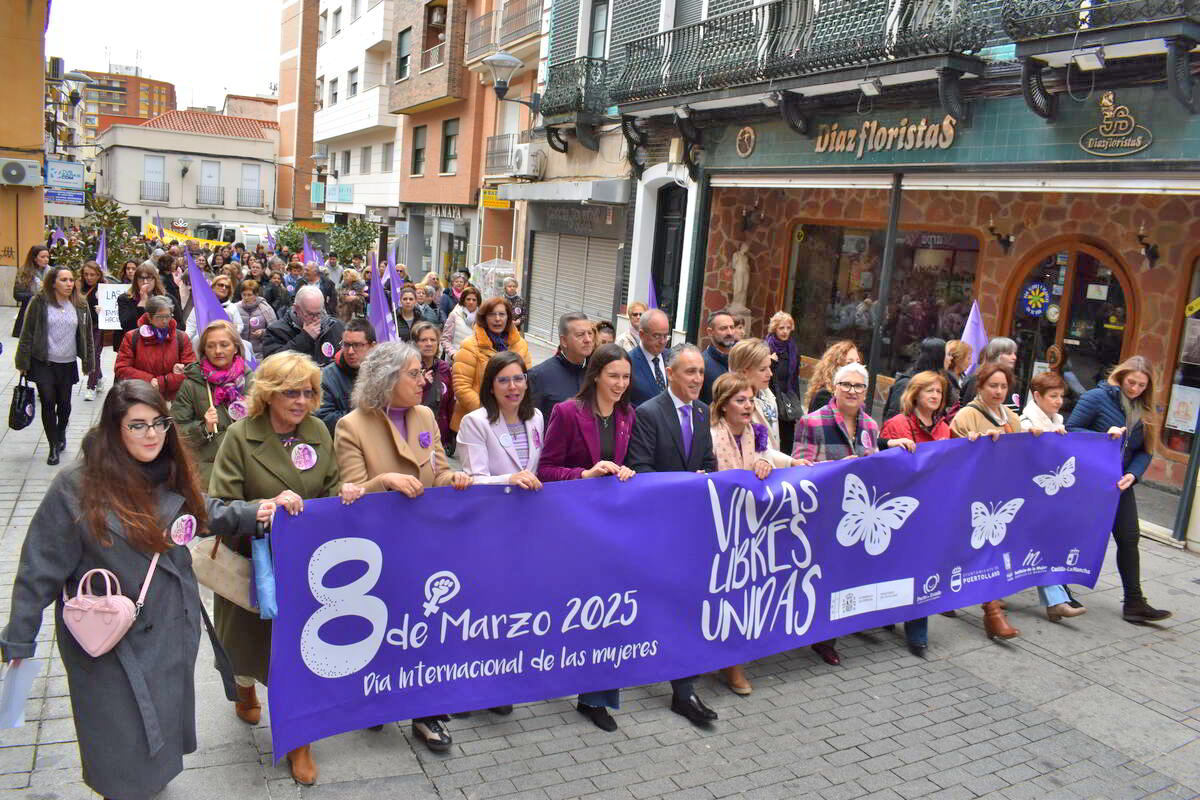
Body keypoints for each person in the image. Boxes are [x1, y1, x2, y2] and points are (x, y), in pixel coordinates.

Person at [0, 380, 271, 800]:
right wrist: (19, 637)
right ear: (114, 430)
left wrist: (256, 513)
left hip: (167, 626)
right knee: (119, 736)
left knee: (160, 723)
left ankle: (150, 781)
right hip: (107, 641)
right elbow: (39, 567)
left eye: (159, 423)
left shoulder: (169, 470)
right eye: (137, 426)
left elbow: (203, 512)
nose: (152, 435)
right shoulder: (76, 487)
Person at [209, 351, 362, 786]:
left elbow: (330, 488)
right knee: (246, 650)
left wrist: (344, 494)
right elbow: (216, 507)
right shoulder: (240, 436)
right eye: (291, 392)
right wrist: (264, 507)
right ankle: (242, 688)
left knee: (296, 658)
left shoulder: (317, 431)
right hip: (253, 566)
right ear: (269, 394)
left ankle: (299, 741)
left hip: (305, 568)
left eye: (309, 392)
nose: (301, 401)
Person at [333, 342, 470, 752]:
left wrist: (457, 481)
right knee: (384, 630)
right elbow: (352, 494)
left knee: (424, 631)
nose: (424, 380)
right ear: (386, 379)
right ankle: (374, 699)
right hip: (380, 550)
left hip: (427, 545)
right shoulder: (351, 426)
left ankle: (425, 715)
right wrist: (386, 482)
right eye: (414, 373)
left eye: (422, 372)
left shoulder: (426, 415)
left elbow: (439, 472)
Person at [537, 343, 637, 730]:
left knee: (606, 612)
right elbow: (546, 470)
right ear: (595, 374)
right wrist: (585, 475)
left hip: (610, 529)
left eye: (626, 377)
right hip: (572, 529)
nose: (620, 383)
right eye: (613, 375)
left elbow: (628, 464)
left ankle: (595, 698)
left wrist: (626, 472)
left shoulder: (628, 414)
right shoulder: (566, 412)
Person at [793, 363, 915, 665]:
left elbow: (873, 470)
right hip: (822, 512)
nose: (852, 391)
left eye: (859, 386)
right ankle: (816, 634)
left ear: (866, 392)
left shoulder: (871, 427)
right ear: (835, 388)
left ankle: (829, 636)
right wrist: (836, 469)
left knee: (845, 574)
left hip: (857, 517)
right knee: (821, 576)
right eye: (846, 385)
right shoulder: (812, 422)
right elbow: (799, 468)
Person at [627, 344, 719, 726]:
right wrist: (684, 483)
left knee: (687, 608)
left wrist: (707, 478)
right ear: (670, 373)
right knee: (653, 605)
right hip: (656, 529)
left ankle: (684, 692)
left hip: (690, 531)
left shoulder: (702, 412)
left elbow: (710, 464)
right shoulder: (648, 414)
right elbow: (640, 468)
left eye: (700, 372)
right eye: (690, 372)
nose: (698, 379)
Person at [709, 371, 809, 694]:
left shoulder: (756, 433)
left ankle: (734, 664)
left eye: (751, 399)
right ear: (724, 405)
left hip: (749, 528)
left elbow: (765, 459)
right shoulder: (710, 435)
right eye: (740, 400)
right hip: (715, 528)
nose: (748, 405)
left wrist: (788, 465)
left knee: (740, 595)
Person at [1067, 355, 1170, 623]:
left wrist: (1133, 475)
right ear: (1121, 377)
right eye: (1131, 382)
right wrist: (1104, 436)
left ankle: (1134, 602)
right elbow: (1070, 430)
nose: (1135, 389)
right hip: (1089, 479)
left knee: (1129, 537)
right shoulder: (1096, 398)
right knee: (1077, 535)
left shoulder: (1146, 409)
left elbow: (1145, 451)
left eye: (1141, 385)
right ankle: (1059, 591)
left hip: (1122, 482)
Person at [949, 361, 1043, 639]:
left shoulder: (1011, 418)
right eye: (993, 385)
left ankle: (984, 604)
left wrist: (1037, 437)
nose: (999, 391)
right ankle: (992, 613)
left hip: (1000, 497)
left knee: (990, 551)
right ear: (980, 386)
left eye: (1003, 386)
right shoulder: (966, 416)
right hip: (972, 498)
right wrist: (976, 443)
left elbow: (1022, 455)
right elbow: (952, 456)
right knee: (976, 549)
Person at [880, 370, 953, 657]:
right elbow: (882, 466)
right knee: (897, 564)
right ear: (915, 394)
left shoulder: (944, 427)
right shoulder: (897, 424)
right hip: (901, 507)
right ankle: (886, 613)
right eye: (929, 391)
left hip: (931, 508)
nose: (935, 396)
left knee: (923, 567)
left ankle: (917, 628)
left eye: (939, 392)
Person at [1020, 370, 1086, 622]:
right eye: (1053, 395)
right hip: (1029, 498)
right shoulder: (1027, 422)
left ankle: (1056, 601)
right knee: (1036, 547)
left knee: (1040, 548)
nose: (1059, 401)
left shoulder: (1056, 421)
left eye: (1061, 396)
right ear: (1037, 396)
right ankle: (1055, 601)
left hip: (1046, 499)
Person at [15, 266, 95, 465]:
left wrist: (88, 360)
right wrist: (22, 361)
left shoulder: (80, 304)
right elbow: (27, 333)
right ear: (53, 283)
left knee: (65, 405)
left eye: (71, 280)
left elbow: (88, 336)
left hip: (67, 363)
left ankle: (61, 432)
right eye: (64, 280)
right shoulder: (39, 303)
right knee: (48, 402)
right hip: (43, 361)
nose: (69, 284)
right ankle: (52, 446)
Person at [171, 319, 253, 484]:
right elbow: (176, 432)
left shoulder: (253, 383)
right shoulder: (191, 384)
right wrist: (204, 428)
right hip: (210, 472)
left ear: (236, 348)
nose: (218, 351)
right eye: (211, 346)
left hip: (250, 467)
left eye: (224, 345)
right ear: (204, 350)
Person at [458, 351, 545, 488]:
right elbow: (474, 480)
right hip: (494, 506)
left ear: (526, 383)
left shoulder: (536, 417)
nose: (512, 386)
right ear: (491, 387)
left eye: (518, 379)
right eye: (503, 380)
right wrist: (509, 479)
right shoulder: (474, 422)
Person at [451, 296, 532, 432]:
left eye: (502, 314)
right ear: (484, 317)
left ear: (508, 317)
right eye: (492, 314)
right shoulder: (470, 345)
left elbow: (528, 381)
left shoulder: (521, 345)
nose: (497, 319)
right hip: (477, 422)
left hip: (512, 420)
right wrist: (490, 414)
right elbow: (462, 388)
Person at [115, 295, 197, 403]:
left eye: (168, 316)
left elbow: (191, 369)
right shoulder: (132, 337)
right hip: (141, 397)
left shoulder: (181, 337)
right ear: (149, 317)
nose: (164, 321)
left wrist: (163, 382)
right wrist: (148, 380)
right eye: (159, 317)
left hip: (173, 401)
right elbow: (121, 369)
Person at [529, 312, 595, 420]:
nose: (588, 339)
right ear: (564, 340)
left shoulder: (596, 373)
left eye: (590, 333)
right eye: (580, 335)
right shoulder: (538, 376)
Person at [317, 318, 377, 434]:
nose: (350, 351)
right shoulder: (327, 377)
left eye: (357, 345)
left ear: (372, 346)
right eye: (346, 345)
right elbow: (323, 419)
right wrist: (365, 414)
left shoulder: (384, 373)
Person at [263, 284, 346, 366]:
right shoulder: (276, 331)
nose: (316, 318)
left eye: (319, 313)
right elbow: (271, 365)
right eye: (310, 314)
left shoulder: (335, 326)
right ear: (296, 308)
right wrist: (305, 338)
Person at [728, 338, 785, 452]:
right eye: (763, 369)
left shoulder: (767, 394)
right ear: (744, 372)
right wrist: (790, 461)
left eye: (769, 367)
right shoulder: (732, 406)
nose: (770, 373)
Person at [412, 320, 455, 448]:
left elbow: (450, 403)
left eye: (433, 340)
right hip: (415, 433)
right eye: (423, 340)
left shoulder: (444, 368)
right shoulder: (408, 368)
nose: (429, 344)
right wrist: (422, 385)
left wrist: (452, 433)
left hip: (440, 435)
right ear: (415, 343)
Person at [765, 311, 800, 454]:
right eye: (781, 328)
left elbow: (795, 378)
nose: (785, 332)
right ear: (775, 329)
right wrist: (771, 362)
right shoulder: (767, 347)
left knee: (787, 440)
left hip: (787, 400)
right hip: (770, 398)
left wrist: (796, 401)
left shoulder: (793, 349)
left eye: (788, 328)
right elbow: (764, 375)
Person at [961, 336, 1020, 411]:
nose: (1014, 357)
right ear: (996, 355)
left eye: (1014, 353)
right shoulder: (978, 379)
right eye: (1009, 353)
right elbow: (968, 412)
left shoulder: (1012, 381)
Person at [803, 340, 861, 413]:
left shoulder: (854, 394)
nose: (856, 367)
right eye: (849, 362)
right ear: (836, 367)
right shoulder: (824, 395)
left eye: (858, 362)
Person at [79, 260, 108, 401]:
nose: (89, 277)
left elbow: (113, 306)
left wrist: (103, 309)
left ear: (98, 275)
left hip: (98, 326)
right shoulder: (79, 286)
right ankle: (99, 377)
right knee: (90, 354)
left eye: (92, 275)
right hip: (83, 326)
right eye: (86, 274)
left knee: (94, 354)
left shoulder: (104, 288)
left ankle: (91, 386)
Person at [629, 308, 671, 406]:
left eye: (665, 336)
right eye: (657, 336)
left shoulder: (672, 358)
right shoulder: (629, 362)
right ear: (642, 334)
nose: (662, 342)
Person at [119, 264, 167, 345]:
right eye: (141, 278)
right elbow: (126, 325)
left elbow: (180, 324)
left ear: (155, 279)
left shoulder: (166, 298)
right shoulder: (125, 299)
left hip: (161, 343)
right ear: (136, 281)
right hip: (135, 344)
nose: (145, 282)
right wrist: (142, 302)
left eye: (149, 278)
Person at [700, 310, 737, 403]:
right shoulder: (702, 364)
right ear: (710, 332)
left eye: (732, 327)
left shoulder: (742, 361)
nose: (729, 332)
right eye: (723, 328)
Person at [234, 278, 278, 359]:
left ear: (256, 294)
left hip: (260, 353)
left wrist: (263, 332)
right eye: (244, 294)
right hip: (240, 352)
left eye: (249, 295)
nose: (246, 298)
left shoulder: (265, 308)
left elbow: (275, 330)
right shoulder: (235, 308)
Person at [13, 244, 50, 336]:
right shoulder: (24, 272)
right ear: (34, 258)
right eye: (43, 257)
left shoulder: (52, 272)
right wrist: (35, 296)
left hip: (48, 313)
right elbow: (17, 295)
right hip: (29, 313)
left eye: (47, 257)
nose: (46, 259)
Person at [440, 285, 481, 359]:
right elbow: (445, 339)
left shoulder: (482, 317)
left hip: (474, 360)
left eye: (474, 300)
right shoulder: (454, 314)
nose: (471, 302)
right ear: (463, 300)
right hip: (455, 360)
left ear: (478, 302)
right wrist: (453, 354)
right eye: (468, 299)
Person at [944, 338, 972, 409]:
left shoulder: (965, 378)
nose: (971, 362)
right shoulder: (945, 379)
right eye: (968, 358)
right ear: (958, 359)